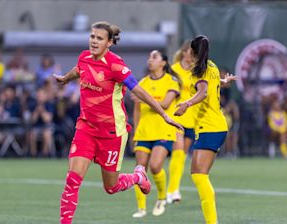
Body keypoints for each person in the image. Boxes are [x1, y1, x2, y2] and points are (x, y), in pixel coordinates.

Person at [54, 21, 183, 224]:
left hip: (112, 133)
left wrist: (164, 115)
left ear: (109, 43)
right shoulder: (84, 57)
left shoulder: (116, 65)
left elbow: (138, 90)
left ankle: (138, 177)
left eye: (99, 38)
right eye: (92, 36)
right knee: (72, 180)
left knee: (111, 187)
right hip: (86, 128)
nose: (94, 41)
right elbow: (79, 69)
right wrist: (65, 79)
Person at [174, 35, 235, 224]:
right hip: (212, 126)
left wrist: (186, 103)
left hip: (211, 127)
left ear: (192, 52)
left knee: (199, 175)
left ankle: (212, 222)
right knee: (199, 175)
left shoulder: (197, 72)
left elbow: (203, 92)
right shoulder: (212, 66)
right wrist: (225, 81)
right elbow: (213, 84)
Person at [131, 50, 182, 218]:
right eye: (149, 57)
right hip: (144, 132)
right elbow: (137, 111)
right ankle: (141, 208)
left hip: (164, 131)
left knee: (155, 166)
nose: (150, 60)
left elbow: (166, 104)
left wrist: (145, 98)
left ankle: (161, 197)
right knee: (140, 170)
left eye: (154, 57)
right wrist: (135, 132)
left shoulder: (171, 81)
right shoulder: (142, 83)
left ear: (163, 63)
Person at [166, 41, 197, 204]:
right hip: (176, 116)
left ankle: (173, 188)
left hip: (192, 118)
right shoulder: (174, 70)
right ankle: (173, 190)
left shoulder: (197, 72)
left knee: (182, 156)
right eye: (190, 52)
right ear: (184, 52)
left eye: (195, 53)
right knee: (177, 152)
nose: (192, 56)